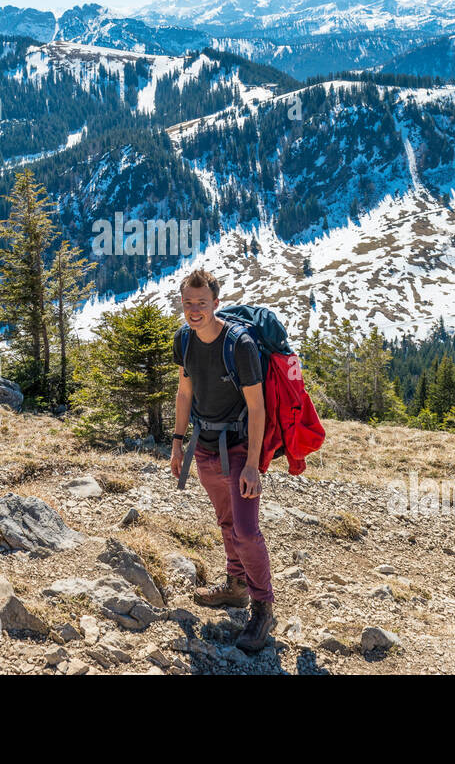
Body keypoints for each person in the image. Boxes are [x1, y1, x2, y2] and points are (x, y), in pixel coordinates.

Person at [170, 268, 276, 652]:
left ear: (216, 303)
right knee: (226, 520)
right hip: (203, 444)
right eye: (188, 303)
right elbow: (185, 393)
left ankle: (262, 606)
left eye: (201, 303)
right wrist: (178, 442)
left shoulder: (240, 344)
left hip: (238, 446)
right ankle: (235, 586)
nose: (194, 310)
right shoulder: (184, 339)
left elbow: (257, 406)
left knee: (247, 531)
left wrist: (252, 463)